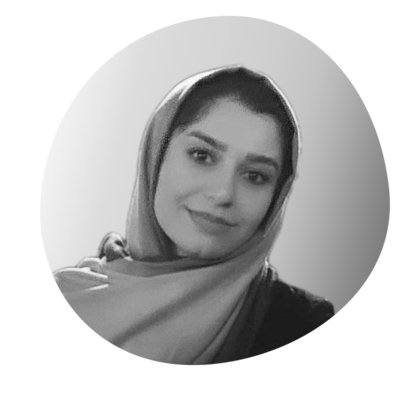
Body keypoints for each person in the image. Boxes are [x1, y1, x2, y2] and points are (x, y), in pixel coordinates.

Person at [53, 65, 334, 365]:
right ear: (156, 155)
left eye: (255, 176)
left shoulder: (303, 324)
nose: (223, 193)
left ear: (277, 197)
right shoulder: (72, 296)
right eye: (202, 156)